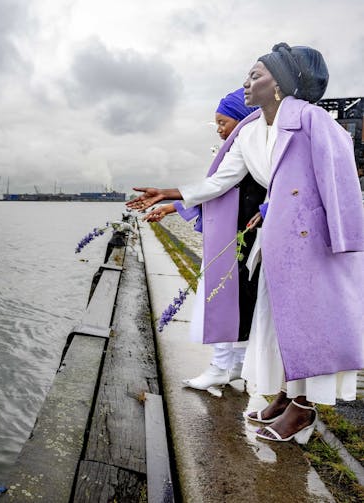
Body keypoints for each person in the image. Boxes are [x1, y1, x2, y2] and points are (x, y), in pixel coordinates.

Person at [128, 43, 364, 444]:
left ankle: (304, 409)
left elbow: (340, 182)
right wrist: (170, 193)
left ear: (281, 84)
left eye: (256, 75)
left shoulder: (314, 122)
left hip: (314, 243)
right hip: (277, 241)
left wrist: (345, 243)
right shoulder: (250, 131)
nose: (246, 82)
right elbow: (222, 179)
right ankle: (289, 394)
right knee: (276, 319)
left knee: (309, 322)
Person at [144, 88, 264, 391]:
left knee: (227, 299)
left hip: (239, 235)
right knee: (237, 300)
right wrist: (172, 206)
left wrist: (170, 198)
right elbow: (214, 188)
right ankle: (231, 365)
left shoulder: (251, 149)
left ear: (241, 120)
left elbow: (218, 186)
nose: (220, 130)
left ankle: (224, 366)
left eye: (223, 122)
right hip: (239, 234)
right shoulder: (247, 149)